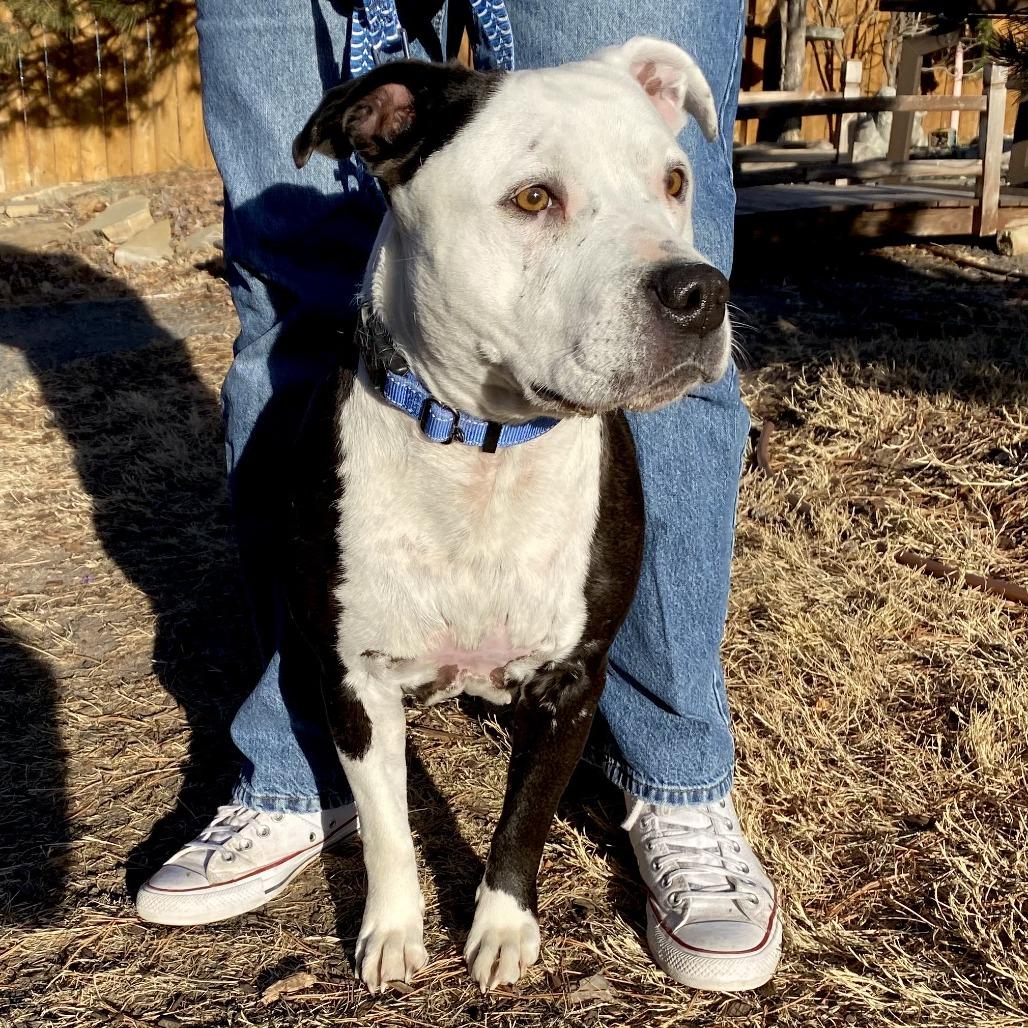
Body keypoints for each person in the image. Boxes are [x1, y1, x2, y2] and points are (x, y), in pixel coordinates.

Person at [134, 0, 782, 993]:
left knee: (583, 635)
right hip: (377, 446)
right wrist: (397, 894)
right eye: (534, 199)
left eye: (665, 186)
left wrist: (507, 883)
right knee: (293, 302)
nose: (675, 268)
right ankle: (308, 774)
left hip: (562, 503)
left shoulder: (671, 245)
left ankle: (672, 781)